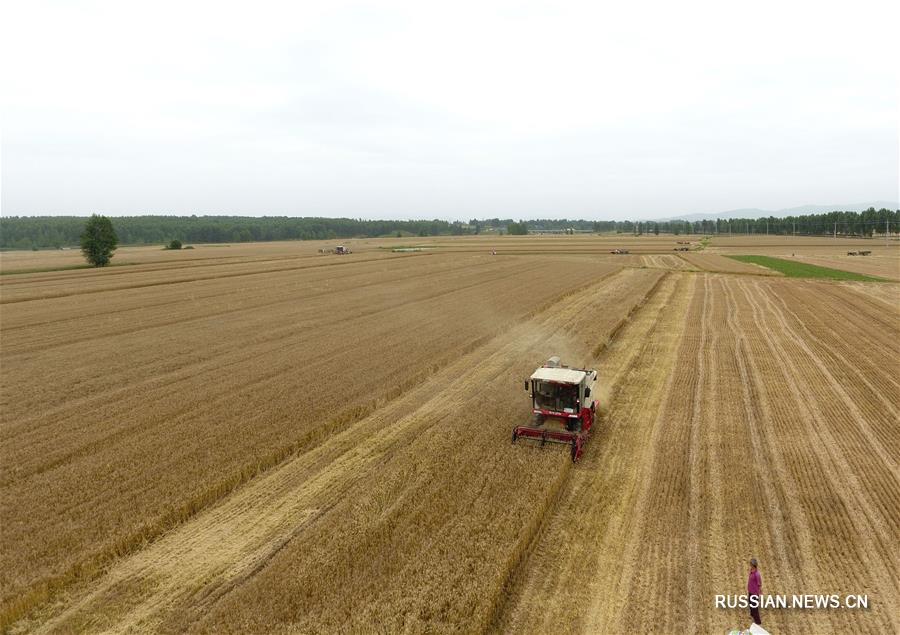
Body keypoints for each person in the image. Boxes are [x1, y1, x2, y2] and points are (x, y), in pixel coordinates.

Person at [748, 557, 762, 625]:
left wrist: (759, 592)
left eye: (750, 564)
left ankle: (758, 621)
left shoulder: (757, 574)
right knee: (750, 603)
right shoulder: (751, 570)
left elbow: (759, 584)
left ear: (753, 565)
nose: (749, 565)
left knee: (754, 607)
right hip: (750, 590)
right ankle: (752, 615)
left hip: (754, 592)